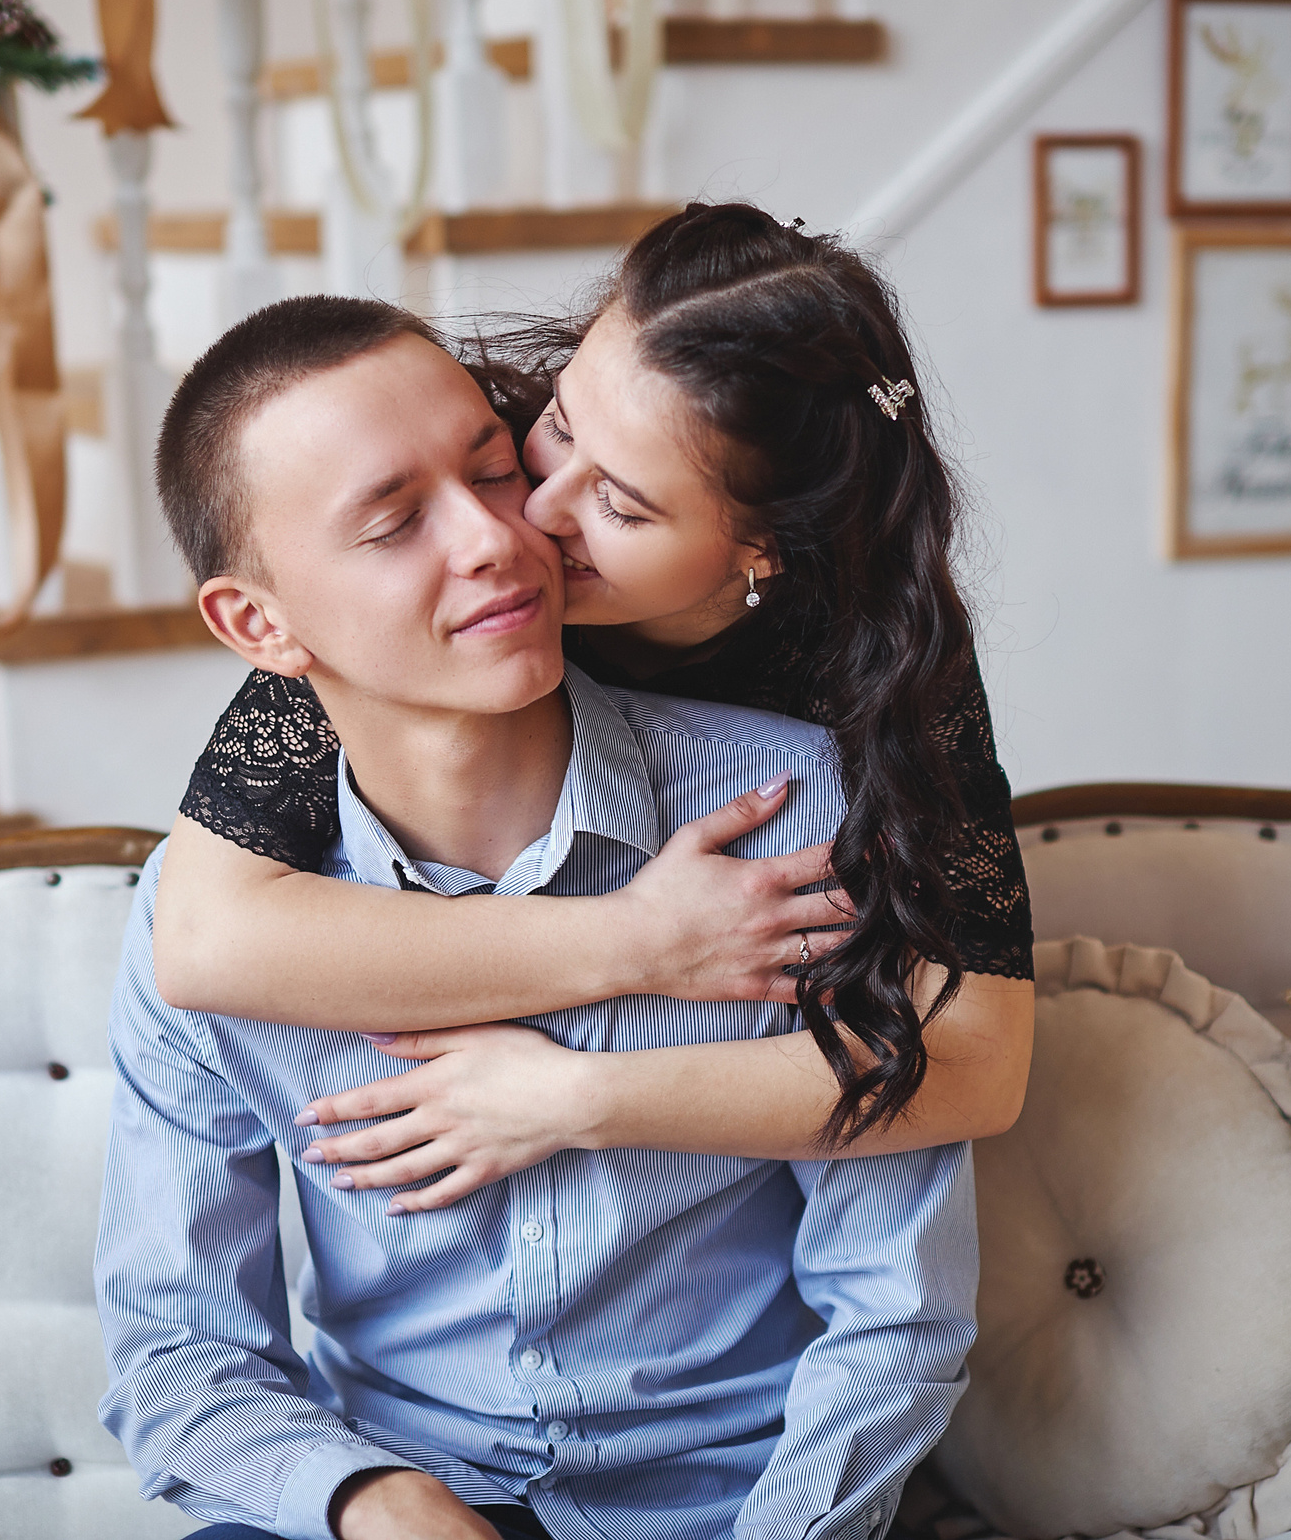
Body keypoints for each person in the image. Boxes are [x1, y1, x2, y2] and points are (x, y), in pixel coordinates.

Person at [98, 296, 989, 1540]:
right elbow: (176, 1359)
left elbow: (893, 1308)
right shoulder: (208, 920)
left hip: (744, 1501)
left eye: (493, 468)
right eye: (395, 520)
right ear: (261, 624)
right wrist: (371, 1499)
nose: (494, 539)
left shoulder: (801, 807)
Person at [151, 203, 1032, 1213]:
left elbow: (978, 1060)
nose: (524, 515)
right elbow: (202, 940)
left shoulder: (875, 660)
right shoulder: (457, 546)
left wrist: (578, 1097)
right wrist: (638, 942)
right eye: (556, 424)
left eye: (619, 503)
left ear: (765, 549)